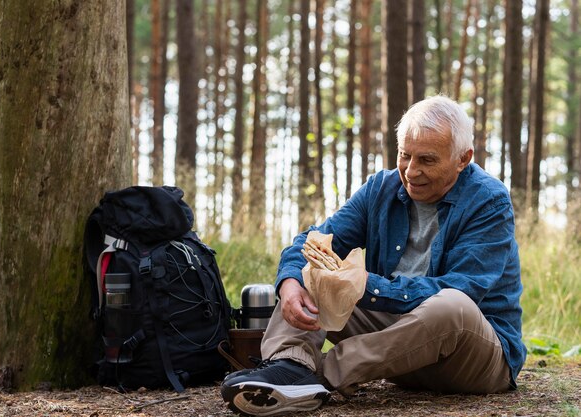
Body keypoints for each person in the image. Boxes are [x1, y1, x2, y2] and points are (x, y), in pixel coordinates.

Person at [221, 95, 526, 416]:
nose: (411, 171)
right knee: (313, 271)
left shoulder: (489, 201)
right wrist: (291, 281)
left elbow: (465, 289)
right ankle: (288, 364)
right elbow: (313, 242)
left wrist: (367, 285)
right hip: (400, 350)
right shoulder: (381, 188)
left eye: (427, 160)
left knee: (453, 305)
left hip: (470, 358)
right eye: (404, 155)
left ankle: (317, 377)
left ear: (463, 158)